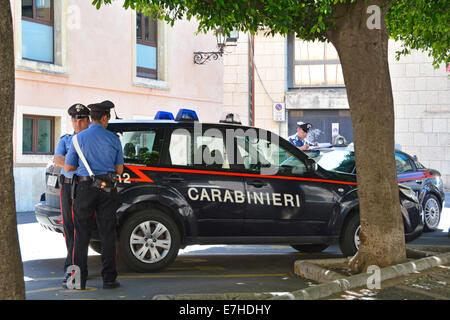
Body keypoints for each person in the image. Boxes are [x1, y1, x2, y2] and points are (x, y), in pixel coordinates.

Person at [64, 100, 124, 290]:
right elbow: (120, 170)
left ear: (91, 118)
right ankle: (109, 279)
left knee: (80, 234)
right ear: (105, 118)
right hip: (107, 188)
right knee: (107, 233)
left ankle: (76, 281)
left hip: (84, 188)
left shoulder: (78, 139)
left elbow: (68, 167)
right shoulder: (114, 139)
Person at [53, 103, 90, 287]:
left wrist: (69, 162)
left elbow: (67, 162)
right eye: (74, 119)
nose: (77, 123)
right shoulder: (66, 139)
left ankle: (75, 271)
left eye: (81, 119)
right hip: (67, 187)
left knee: (80, 230)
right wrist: (70, 163)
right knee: (69, 230)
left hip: (84, 187)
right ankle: (74, 267)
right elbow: (57, 159)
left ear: (88, 120)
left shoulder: (91, 140)